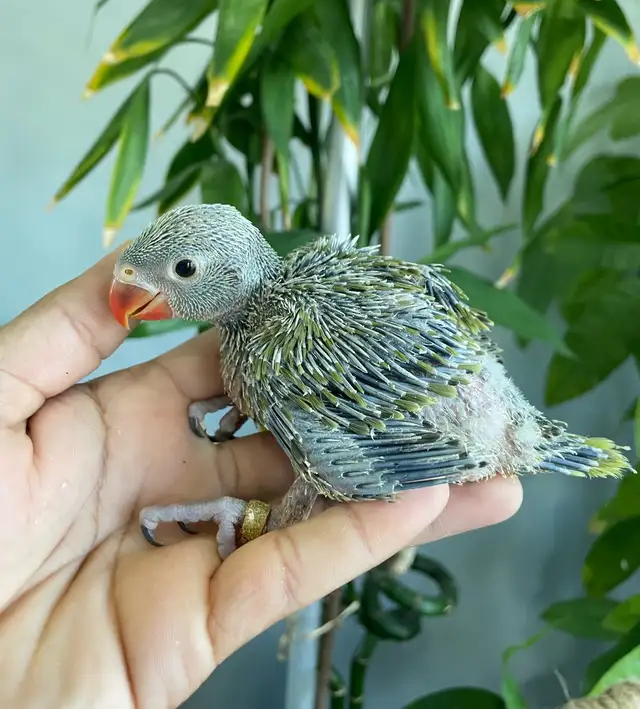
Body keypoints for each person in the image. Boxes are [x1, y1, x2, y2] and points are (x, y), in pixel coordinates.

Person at [0, 251, 522, 708]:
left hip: (462, 423)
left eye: (184, 270)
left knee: (332, 464)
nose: (138, 290)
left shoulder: (277, 350)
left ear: (234, 271)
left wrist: (251, 518)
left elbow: (331, 466)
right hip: (446, 385)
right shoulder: (273, 320)